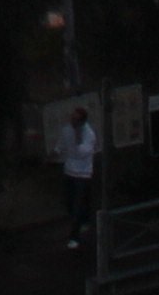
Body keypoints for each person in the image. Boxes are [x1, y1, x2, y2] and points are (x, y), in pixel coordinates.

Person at [59, 102, 99, 247]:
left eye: (75, 119)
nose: (72, 121)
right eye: (72, 118)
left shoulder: (89, 134)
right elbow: (62, 143)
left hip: (82, 174)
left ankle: (75, 237)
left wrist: (77, 137)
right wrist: (56, 151)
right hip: (69, 171)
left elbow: (82, 152)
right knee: (70, 202)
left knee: (78, 204)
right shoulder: (67, 129)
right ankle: (84, 220)